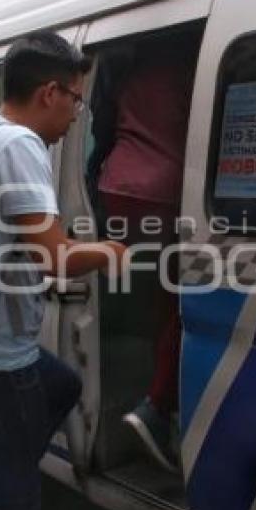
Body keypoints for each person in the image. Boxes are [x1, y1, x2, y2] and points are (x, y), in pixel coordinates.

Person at [0, 31, 127, 510]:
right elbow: (54, 258)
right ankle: (10, 479)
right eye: (77, 100)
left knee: (61, 385)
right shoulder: (18, 145)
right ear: (49, 93)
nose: (75, 114)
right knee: (20, 498)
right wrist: (109, 251)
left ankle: (8, 466)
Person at [96, 35, 199, 472]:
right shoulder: (190, 70)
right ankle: (157, 406)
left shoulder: (131, 72)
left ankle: (162, 399)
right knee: (186, 298)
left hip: (115, 185)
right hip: (161, 191)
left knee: (160, 294)